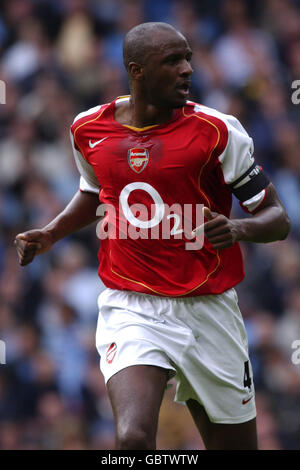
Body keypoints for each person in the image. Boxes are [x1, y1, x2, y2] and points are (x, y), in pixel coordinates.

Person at [14, 22, 290, 450]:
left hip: (208, 310)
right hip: (133, 306)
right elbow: (95, 193)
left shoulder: (218, 131)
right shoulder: (88, 130)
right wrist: (51, 233)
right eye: (173, 61)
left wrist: (237, 227)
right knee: (133, 438)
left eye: (188, 60)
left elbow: (277, 218)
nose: (187, 71)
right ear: (136, 70)